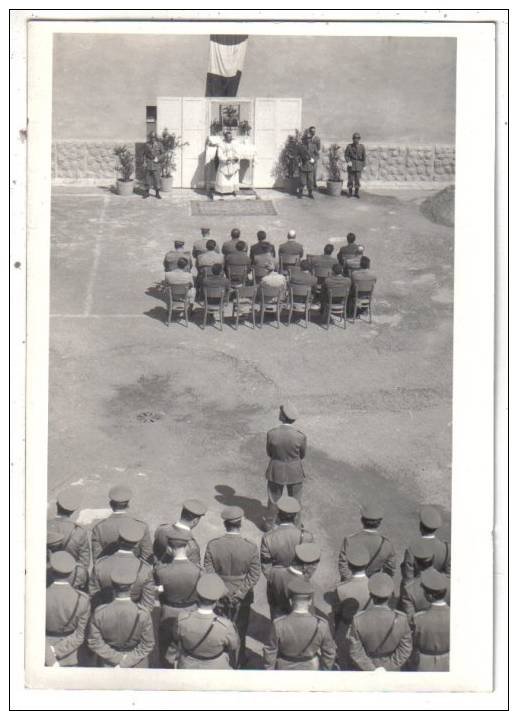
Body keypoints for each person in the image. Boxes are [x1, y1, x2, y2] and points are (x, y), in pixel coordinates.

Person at [204, 506, 261, 666]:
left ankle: (221, 660)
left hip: (219, 595)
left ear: (225, 524)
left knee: (219, 628)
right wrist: (241, 592)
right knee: (240, 630)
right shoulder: (250, 547)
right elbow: (254, 574)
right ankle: (239, 661)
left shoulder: (213, 545)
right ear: (240, 523)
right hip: (241, 597)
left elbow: (209, 571)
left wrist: (222, 591)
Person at [87, 561, 155, 667]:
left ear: (113, 587)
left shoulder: (100, 612)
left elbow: (94, 642)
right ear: (132, 586)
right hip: (137, 663)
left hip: (108, 662)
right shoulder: (143, 613)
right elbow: (147, 644)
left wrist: (117, 659)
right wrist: (126, 661)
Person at [263, 577, 336, 671]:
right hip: (311, 667)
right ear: (310, 602)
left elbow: (270, 652)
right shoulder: (322, 625)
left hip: (283, 667)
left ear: (290, 601)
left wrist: (269, 672)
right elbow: (329, 653)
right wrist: (324, 670)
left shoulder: (279, 624)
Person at [155, 527, 203, 667]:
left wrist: (165, 557)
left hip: (168, 613)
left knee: (166, 650)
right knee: (190, 649)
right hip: (191, 612)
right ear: (187, 546)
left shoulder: (162, 571)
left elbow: (157, 586)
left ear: (169, 548)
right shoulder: (198, 571)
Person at [346, 573, 412, 671]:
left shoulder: (358, 619)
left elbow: (356, 651)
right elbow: (405, 649)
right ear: (390, 596)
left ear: (371, 595)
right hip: (392, 669)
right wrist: (388, 667)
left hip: (365, 668)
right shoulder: (401, 619)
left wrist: (371, 669)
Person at [173, 574, 240, 669]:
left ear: (197, 596)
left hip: (187, 666)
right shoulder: (225, 626)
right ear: (216, 602)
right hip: (217, 667)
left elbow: (176, 637)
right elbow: (233, 646)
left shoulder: (182, 619)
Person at [89, 518, 155, 612]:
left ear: (118, 540)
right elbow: (147, 604)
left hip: (106, 614)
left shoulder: (100, 565)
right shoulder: (145, 569)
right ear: (136, 544)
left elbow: (94, 596)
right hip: (134, 616)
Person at [264, 403, 307, 529]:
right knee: (295, 500)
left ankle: (269, 525)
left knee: (273, 500)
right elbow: (302, 455)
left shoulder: (272, 434)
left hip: (276, 469)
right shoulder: (300, 436)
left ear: (282, 416)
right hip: (295, 471)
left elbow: (269, 452)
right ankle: (297, 525)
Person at [45, 551, 91, 667]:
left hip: (42, 652)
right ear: (71, 573)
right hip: (69, 654)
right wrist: (57, 650)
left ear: (52, 572)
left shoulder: (39, 595)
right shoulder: (82, 600)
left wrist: (49, 653)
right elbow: (79, 635)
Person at [90, 485, 153, 563]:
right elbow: (147, 557)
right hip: (135, 572)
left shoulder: (99, 528)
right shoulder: (142, 526)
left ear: (111, 504)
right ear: (128, 504)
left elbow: (98, 560)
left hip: (108, 572)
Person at [332, 542, 371, 665]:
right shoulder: (376, 586)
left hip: (348, 633)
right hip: (368, 630)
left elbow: (337, 615)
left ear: (349, 565)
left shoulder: (341, 589)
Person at [338, 503, 396, 582]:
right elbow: (390, 570)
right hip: (374, 584)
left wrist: (350, 581)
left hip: (351, 583)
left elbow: (343, 565)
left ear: (362, 520)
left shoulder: (350, 540)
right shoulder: (386, 544)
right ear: (379, 523)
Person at [260, 496, 314, 577]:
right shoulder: (307, 537)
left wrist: (273, 580)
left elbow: (266, 565)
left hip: (276, 580)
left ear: (278, 516)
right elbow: (312, 562)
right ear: (295, 517)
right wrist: (305, 577)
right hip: (299, 580)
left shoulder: (268, 538)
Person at [266, 542, 321, 621]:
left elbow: (271, 599)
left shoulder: (274, 572)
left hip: (277, 618)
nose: (314, 570)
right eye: (314, 567)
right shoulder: (306, 587)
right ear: (306, 567)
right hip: (294, 624)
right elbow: (310, 616)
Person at [412, 569, 450, 671]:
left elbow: (414, 642)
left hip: (423, 663)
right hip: (449, 662)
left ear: (430, 596)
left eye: (424, 591)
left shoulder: (418, 619)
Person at [401, 505, 450, 582]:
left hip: (418, 590)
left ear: (420, 526)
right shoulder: (447, 549)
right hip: (439, 589)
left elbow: (407, 578)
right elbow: (449, 576)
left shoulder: (412, 549)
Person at [47, 489, 90, 572]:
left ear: (57, 505)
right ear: (73, 510)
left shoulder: (44, 526)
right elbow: (84, 563)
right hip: (70, 575)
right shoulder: (79, 531)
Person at [154, 499, 207, 565]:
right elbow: (194, 571)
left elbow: (156, 552)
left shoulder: (161, 529)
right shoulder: (192, 546)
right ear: (195, 521)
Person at [397, 539, 438, 627]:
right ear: (433, 560)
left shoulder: (409, 588)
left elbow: (411, 621)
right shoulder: (448, 582)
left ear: (416, 563)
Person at [214, 130, 240, 196]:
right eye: (228, 137)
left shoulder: (234, 143)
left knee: (233, 177)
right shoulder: (221, 144)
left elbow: (237, 151)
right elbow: (219, 154)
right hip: (225, 163)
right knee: (223, 178)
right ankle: (222, 191)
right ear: (225, 137)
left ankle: (233, 190)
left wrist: (236, 157)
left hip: (232, 162)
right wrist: (225, 159)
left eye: (231, 137)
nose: (230, 138)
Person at [344, 132, 366, 198]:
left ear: (359, 139)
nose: (355, 140)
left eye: (357, 138)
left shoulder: (362, 147)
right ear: (352, 139)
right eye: (354, 138)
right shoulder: (349, 146)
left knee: (357, 180)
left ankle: (356, 193)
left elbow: (364, 157)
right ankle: (350, 193)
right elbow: (346, 155)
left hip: (359, 165)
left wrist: (364, 165)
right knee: (350, 180)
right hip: (351, 165)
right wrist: (348, 161)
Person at [143, 131, 164, 199]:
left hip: (156, 164)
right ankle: (147, 193)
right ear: (150, 138)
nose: (152, 139)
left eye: (154, 137)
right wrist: (144, 162)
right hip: (148, 163)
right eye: (151, 137)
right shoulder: (147, 145)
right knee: (147, 179)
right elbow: (144, 154)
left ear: (156, 138)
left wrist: (158, 158)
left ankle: (157, 193)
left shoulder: (159, 144)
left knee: (157, 179)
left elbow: (163, 154)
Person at [303, 126, 321, 193]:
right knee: (309, 172)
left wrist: (314, 158)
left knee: (314, 172)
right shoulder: (306, 137)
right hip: (308, 158)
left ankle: (314, 185)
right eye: (312, 131)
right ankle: (309, 186)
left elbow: (318, 148)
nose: (313, 132)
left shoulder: (317, 138)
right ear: (310, 131)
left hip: (314, 158)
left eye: (314, 131)